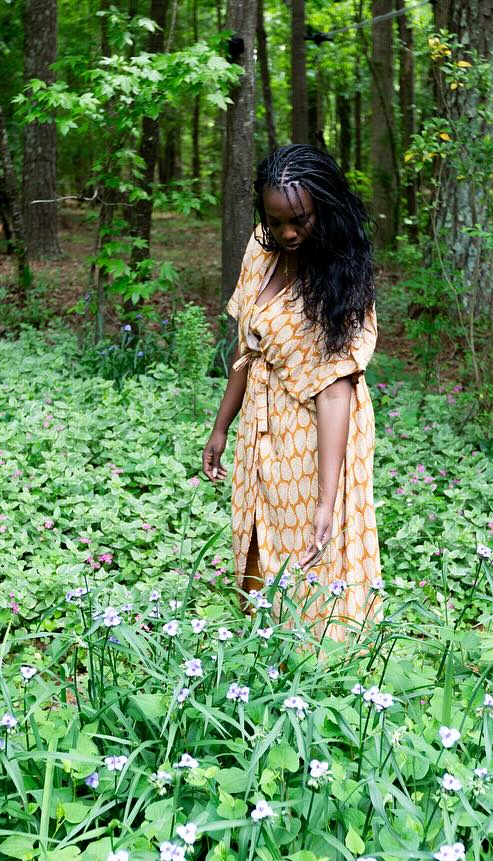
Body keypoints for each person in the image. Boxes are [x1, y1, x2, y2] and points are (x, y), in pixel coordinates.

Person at [202, 144, 382, 643]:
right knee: (258, 531)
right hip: (261, 422)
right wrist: (222, 426)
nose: (288, 232)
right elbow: (247, 347)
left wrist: (327, 497)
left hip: (316, 432)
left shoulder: (343, 281)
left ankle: (321, 659)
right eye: (276, 219)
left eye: (299, 220)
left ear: (324, 207)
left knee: (313, 543)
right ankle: (262, 646)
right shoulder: (262, 251)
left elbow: (336, 391)